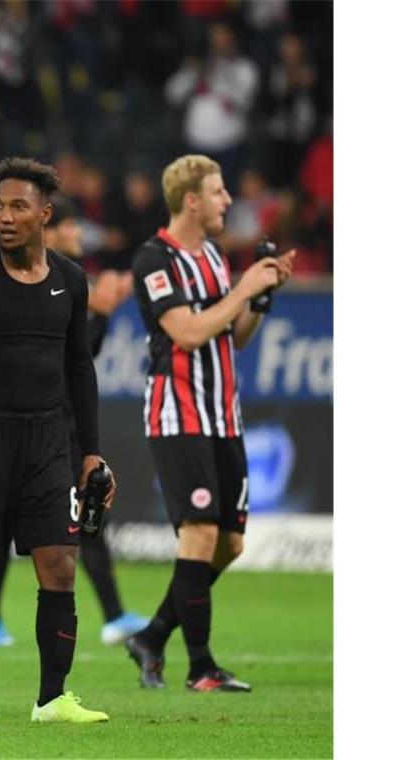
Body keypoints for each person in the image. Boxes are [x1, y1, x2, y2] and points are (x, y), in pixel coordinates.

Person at [0, 158, 113, 724]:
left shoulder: (71, 281)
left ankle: (52, 697)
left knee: (59, 564)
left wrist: (89, 451)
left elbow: (80, 370)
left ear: (45, 213)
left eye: (18, 207)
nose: (5, 218)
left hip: (47, 443)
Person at [125, 154, 294, 692]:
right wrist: (242, 291)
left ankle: (152, 636)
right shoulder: (154, 259)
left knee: (230, 544)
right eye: (219, 192)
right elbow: (190, 333)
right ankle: (202, 667)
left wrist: (260, 294)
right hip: (179, 412)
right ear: (192, 200)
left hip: (223, 413)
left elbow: (232, 336)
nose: (228, 201)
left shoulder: (216, 258)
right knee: (198, 534)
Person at [0, 201, 148, 649]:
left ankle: (111, 614)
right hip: (35, 424)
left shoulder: (68, 281)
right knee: (20, 521)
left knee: (83, 515)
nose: (77, 233)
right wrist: (104, 314)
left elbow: (77, 359)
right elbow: (61, 358)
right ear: (48, 229)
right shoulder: (36, 282)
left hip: (63, 423)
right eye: (71, 225)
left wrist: (102, 314)